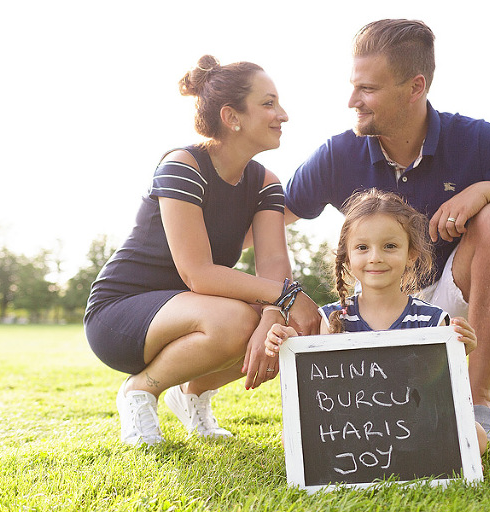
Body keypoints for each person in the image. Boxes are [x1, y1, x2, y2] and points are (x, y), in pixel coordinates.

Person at [283, 19, 490, 440]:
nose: (352, 100)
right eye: (354, 86)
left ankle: (476, 399)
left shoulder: (475, 140)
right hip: (374, 302)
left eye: (367, 89)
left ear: (416, 87)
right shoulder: (337, 153)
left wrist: (488, 191)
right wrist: (278, 295)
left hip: (451, 301)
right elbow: (272, 217)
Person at [84, 55, 321, 447]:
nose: (283, 115)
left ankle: (192, 393)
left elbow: (274, 265)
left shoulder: (266, 183)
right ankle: (140, 389)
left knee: (286, 330)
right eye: (268, 103)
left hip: (195, 311)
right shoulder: (183, 165)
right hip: (122, 313)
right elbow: (198, 273)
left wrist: (274, 314)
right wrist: (286, 297)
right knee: (236, 320)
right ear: (232, 117)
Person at [265, 189, 488, 455]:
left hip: (413, 424)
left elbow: (437, 388)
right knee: (290, 437)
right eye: (362, 248)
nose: (375, 257)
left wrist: (459, 350)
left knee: (477, 435)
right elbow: (324, 389)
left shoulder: (431, 320)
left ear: (411, 254)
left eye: (390, 246)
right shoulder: (335, 318)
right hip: (353, 427)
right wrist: (290, 344)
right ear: (347, 257)